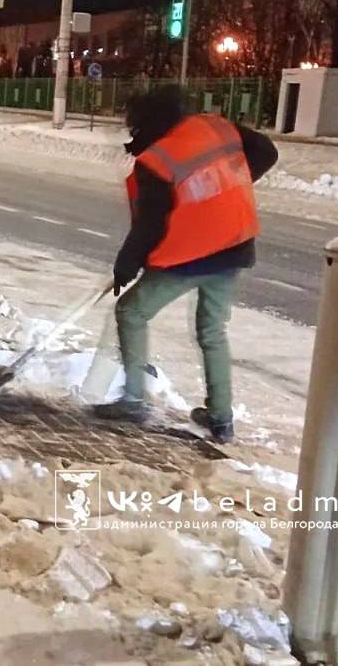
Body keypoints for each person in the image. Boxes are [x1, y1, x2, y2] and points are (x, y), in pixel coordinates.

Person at [94, 86, 278, 443]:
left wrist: (125, 266)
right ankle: (221, 418)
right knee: (212, 330)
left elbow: (150, 225)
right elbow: (266, 151)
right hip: (234, 244)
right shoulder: (216, 127)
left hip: (192, 254)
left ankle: (133, 399)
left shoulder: (158, 159)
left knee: (131, 312)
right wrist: (233, 183)